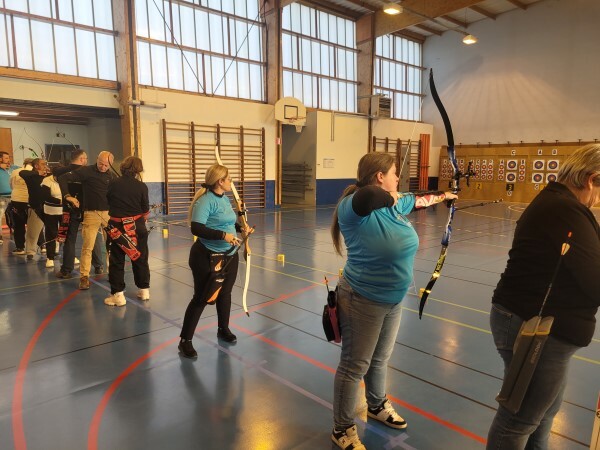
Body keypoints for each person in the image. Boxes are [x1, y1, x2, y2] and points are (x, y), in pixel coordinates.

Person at [329, 152, 458, 450]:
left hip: (394, 298)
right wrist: (391, 197)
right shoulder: (352, 207)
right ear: (379, 177)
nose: (398, 178)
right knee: (354, 366)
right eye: (394, 173)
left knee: (380, 358)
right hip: (362, 298)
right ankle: (342, 428)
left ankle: (376, 405)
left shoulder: (394, 203)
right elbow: (368, 197)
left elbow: (420, 200)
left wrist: (445, 196)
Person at [487, 144, 600, 449]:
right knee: (519, 419)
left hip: (540, 324)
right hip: (533, 326)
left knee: (543, 413)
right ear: (591, 178)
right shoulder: (563, 208)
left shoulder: (562, 204)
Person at [178, 164, 252, 359]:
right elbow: (196, 228)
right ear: (220, 181)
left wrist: (240, 229)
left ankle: (223, 329)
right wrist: (223, 235)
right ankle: (185, 341)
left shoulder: (225, 199)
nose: (231, 182)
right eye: (229, 179)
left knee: (225, 294)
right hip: (206, 257)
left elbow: (228, 222)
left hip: (230, 255)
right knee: (201, 298)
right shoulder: (205, 201)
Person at [58, 151, 116, 289]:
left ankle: (113, 274)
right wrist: (68, 196)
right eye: (101, 163)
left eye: (106, 165)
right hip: (91, 214)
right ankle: (84, 277)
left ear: (111, 165)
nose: (103, 167)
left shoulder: (112, 176)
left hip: (108, 214)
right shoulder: (86, 171)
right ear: (96, 159)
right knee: (87, 247)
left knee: (112, 247)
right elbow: (62, 178)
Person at [104, 156, 150, 307]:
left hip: (117, 227)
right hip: (137, 226)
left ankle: (118, 295)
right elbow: (145, 210)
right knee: (140, 257)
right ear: (138, 169)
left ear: (123, 167)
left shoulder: (113, 183)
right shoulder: (142, 186)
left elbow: (108, 201)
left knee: (116, 260)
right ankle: (144, 290)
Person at [53, 150, 103, 279]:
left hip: (71, 209)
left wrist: (67, 195)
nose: (87, 161)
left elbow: (56, 173)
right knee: (93, 237)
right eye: (85, 158)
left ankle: (66, 270)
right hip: (87, 209)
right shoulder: (88, 171)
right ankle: (98, 266)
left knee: (70, 239)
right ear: (81, 159)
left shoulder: (62, 171)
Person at [19, 158, 49, 260]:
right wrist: (38, 173)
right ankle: (30, 252)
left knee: (53, 230)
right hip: (36, 207)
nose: (45, 166)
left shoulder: (48, 176)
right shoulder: (30, 176)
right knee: (32, 232)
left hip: (49, 206)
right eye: (43, 164)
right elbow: (22, 173)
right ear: (36, 166)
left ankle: (53, 250)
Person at [8, 158, 34, 254]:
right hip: (31, 200)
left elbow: (11, 185)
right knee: (35, 224)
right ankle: (42, 245)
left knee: (19, 224)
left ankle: (20, 248)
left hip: (17, 199)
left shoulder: (15, 171)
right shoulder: (35, 172)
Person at [0, 151, 19, 245]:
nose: (8, 160)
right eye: (6, 158)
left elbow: (24, 169)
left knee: (15, 216)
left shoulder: (13, 168)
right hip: (1, 197)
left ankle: (17, 233)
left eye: (9, 158)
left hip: (14, 196)